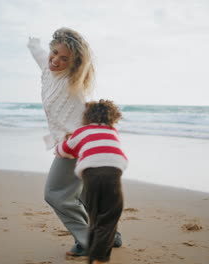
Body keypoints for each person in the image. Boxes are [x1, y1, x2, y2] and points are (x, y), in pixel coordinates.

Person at [27, 28, 121, 256]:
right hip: (72, 143)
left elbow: (83, 118)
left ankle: (90, 241)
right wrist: (34, 42)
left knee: (56, 193)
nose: (56, 60)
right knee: (85, 196)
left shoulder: (73, 81)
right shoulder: (47, 71)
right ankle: (111, 236)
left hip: (77, 144)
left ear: (74, 63)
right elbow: (41, 54)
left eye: (64, 58)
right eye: (55, 53)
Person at [55, 99, 127, 264]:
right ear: (113, 117)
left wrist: (60, 143)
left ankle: (95, 253)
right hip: (113, 174)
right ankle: (100, 257)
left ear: (86, 117)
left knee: (95, 216)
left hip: (92, 175)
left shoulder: (82, 131)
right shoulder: (113, 130)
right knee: (110, 215)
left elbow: (63, 151)